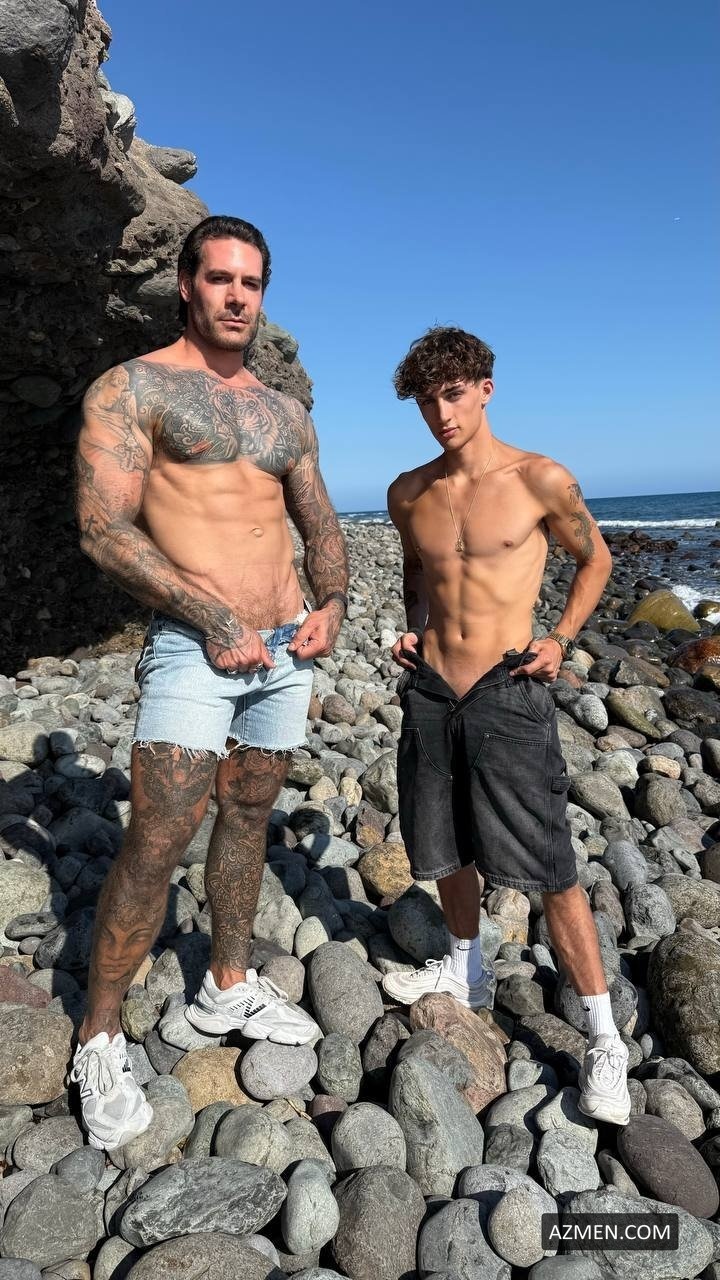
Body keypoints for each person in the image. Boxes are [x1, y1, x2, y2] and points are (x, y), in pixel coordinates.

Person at [71, 215, 349, 1149]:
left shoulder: (284, 413)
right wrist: (211, 617)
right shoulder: (135, 387)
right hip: (195, 646)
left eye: (253, 283)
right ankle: (98, 1033)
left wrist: (332, 602)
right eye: (222, 279)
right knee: (157, 836)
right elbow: (103, 528)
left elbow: (318, 519)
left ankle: (228, 982)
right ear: (187, 284)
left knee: (249, 812)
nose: (238, 297)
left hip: (285, 648)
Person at [382, 326, 631, 1126]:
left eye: (453, 394)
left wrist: (559, 639)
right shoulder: (408, 492)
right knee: (443, 839)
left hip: (506, 685)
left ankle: (603, 1039)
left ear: (486, 389)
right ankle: (466, 969)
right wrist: (413, 627)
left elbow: (596, 559)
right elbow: (419, 571)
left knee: (551, 865)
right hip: (431, 688)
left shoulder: (539, 479)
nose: (442, 414)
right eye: (427, 401)